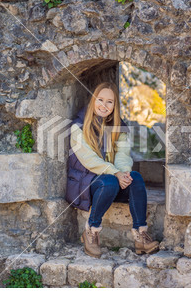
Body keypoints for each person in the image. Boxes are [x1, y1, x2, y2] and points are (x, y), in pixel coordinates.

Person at [65, 82, 160, 258]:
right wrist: (114, 173)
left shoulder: (118, 126)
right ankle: (91, 231)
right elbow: (88, 160)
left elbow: (123, 154)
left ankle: (140, 235)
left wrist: (123, 173)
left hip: (112, 180)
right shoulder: (78, 126)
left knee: (135, 177)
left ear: (115, 105)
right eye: (100, 99)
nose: (104, 105)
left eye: (110, 102)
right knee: (108, 181)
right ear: (93, 100)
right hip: (87, 184)